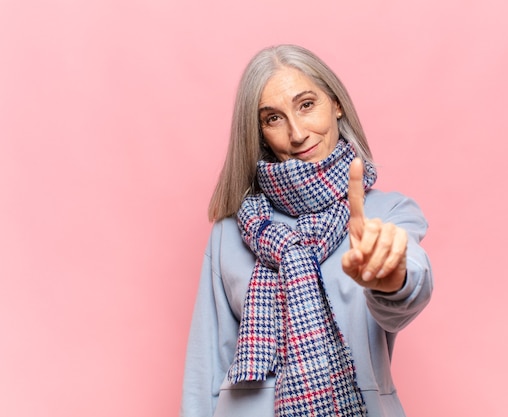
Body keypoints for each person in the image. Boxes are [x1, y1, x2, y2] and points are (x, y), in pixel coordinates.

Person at [181, 44, 433, 417]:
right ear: (260, 133)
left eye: (306, 104)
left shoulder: (388, 212)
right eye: (273, 119)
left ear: (336, 104)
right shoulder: (230, 231)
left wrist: (389, 275)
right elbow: (206, 366)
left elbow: (409, 292)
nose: (297, 133)